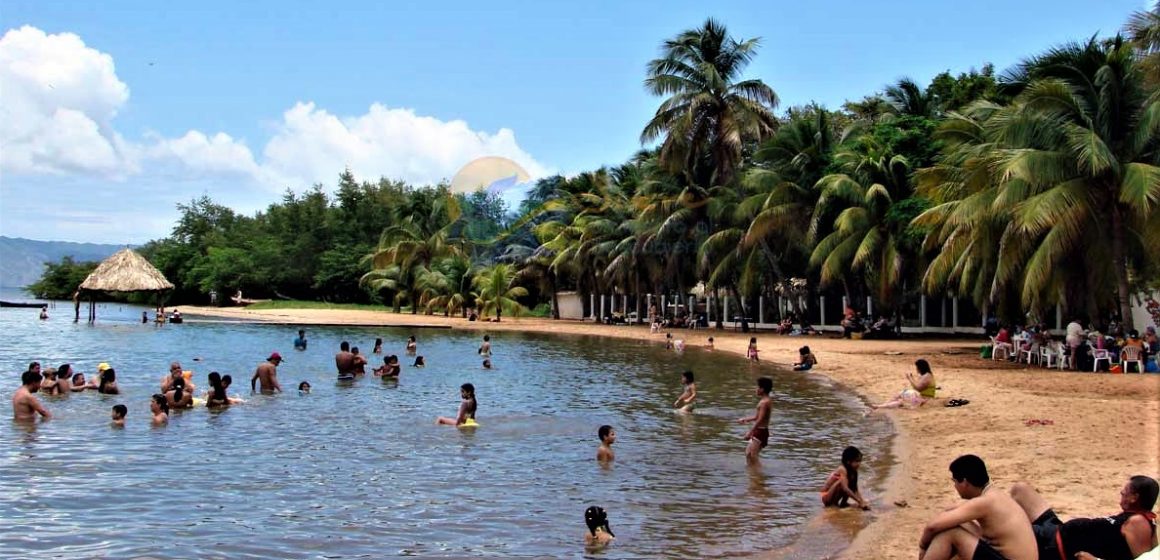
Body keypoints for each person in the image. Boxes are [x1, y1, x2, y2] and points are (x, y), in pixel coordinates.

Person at [1009, 476, 1158, 560]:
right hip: (1057, 529)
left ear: (1134, 498)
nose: (1121, 494)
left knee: (999, 530)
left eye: (1124, 493)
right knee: (1020, 489)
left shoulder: (1139, 523)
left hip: (1054, 546)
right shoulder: (1138, 519)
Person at [918, 454, 1037, 560]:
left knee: (952, 533)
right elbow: (952, 513)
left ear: (964, 482)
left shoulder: (985, 502)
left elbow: (932, 527)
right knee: (956, 523)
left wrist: (923, 546)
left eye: (954, 482)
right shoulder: (995, 494)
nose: (954, 486)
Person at [870, 359, 936, 410]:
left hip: (925, 399)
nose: (916, 369)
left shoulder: (926, 377)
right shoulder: (926, 375)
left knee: (901, 401)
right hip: (922, 396)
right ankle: (882, 405)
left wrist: (910, 379)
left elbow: (918, 388)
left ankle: (880, 406)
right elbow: (918, 386)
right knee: (900, 394)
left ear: (920, 368)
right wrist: (912, 378)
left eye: (917, 367)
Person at [737, 377, 774, 464]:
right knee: (749, 454)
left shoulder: (764, 402)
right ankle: (754, 475)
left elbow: (760, 419)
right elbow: (757, 417)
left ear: (762, 389)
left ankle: (759, 475)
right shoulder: (765, 401)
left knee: (752, 456)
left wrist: (750, 432)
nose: (756, 389)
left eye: (757, 387)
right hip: (761, 430)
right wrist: (746, 419)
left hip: (761, 431)